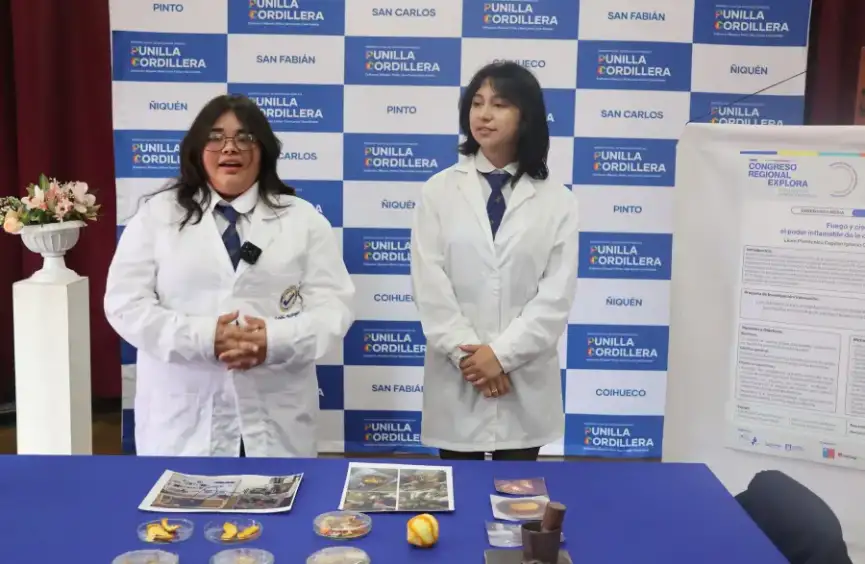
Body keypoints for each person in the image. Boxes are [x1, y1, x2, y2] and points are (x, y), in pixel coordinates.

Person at [104, 94, 355, 458]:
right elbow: (125, 305)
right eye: (215, 137)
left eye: (245, 137)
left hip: (274, 417)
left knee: (276, 494)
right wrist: (206, 338)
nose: (230, 148)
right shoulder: (157, 216)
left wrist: (273, 340)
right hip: (183, 421)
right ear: (197, 149)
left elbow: (334, 309)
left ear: (264, 149)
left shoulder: (303, 219)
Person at [410, 61, 580, 461]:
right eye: (477, 103)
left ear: (526, 117)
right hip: (458, 379)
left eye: (499, 104)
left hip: (524, 382)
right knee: (459, 491)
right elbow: (429, 286)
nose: (484, 114)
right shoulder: (438, 191)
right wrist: (473, 361)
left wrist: (501, 357)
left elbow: (554, 298)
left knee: (517, 492)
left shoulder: (559, 201)